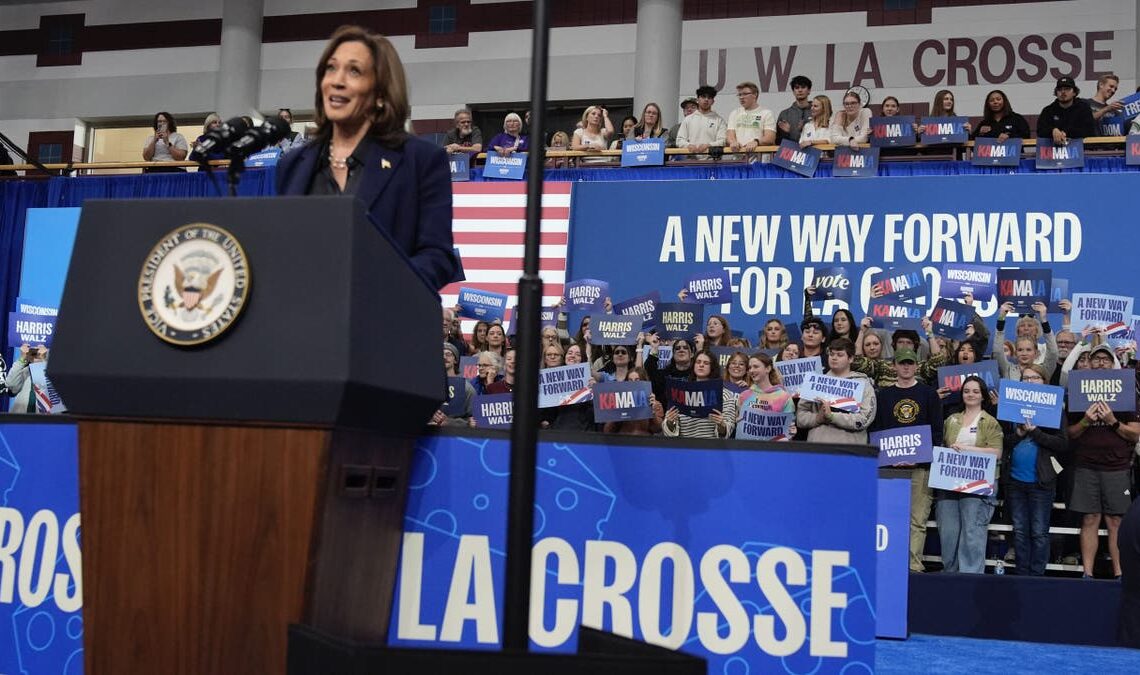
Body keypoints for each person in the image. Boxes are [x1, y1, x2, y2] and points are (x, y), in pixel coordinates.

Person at [276, 25, 458, 290]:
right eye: (331, 68)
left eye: (354, 71)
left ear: (381, 95)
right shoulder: (291, 165)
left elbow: (438, 258)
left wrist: (377, 286)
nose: (337, 80)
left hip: (383, 320)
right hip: (305, 322)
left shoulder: (421, 160)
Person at [1066, 344, 1140, 578]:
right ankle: (1087, 574)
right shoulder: (1079, 391)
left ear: (1113, 364)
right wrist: (1087, 420)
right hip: (1086, 465)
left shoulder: (1127, 391)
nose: (1100, 362)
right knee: (1089, 518)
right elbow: (1070, 433)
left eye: (1105, 359)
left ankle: (1120, 574)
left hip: (1117, 466)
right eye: (1095, 358)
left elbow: (1136, 434)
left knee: (1116, 520)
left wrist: (1112, 421)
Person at [871, 347, 945, 573]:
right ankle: (888, 562)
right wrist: (891, 458)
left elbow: (937, 433)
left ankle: (912, 565)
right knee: (888, 518)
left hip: (920, 467)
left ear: (916, 366)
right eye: (901, 363)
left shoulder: (928, 394)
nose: (905, 367)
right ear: (894, 366)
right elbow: (876, 430)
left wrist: (914, 458)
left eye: (910, 363)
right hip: (889, 468)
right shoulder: (883, 395)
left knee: (917, 520)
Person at [1001, 363, 1067, 576]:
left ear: (1044, 382)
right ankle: (1022, 574)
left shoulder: (1055, 409)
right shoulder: (1011, 409)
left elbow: (1062, 445)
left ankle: (1037, 576)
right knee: (1020, 531)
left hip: (1041, 481)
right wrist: (1019, 433)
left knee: (1039, 532)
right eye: (1026, 378)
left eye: (1034, 378)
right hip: (1015, 481)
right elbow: (1003, 442)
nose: (1029, 381)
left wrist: (1036, 432)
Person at [935, 375, 1002, 574]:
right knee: (948, 533)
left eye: (975, 391)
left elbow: (997, 453)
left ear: (983, 396)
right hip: (950, 482)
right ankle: (950, 574)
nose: (970, 394)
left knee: (972, 534)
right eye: (966, 391)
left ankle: (970, 578)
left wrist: (967, 449)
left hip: (979, 484)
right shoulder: (951, 419)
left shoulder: (990, 422)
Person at [796, 338, 876, 444]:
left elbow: (865, 419)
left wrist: (832, 417)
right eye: (832, 354)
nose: (834, 358)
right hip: (818, 448)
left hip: (851, 450)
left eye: (840, 355)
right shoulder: (815, 382)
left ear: (851, 358)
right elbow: (800, 417)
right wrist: (817, 418)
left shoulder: (863, 384)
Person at [662, 349, 737, 439]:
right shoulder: (681, 390)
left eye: (706, 363)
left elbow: (728, 429)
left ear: (712, 367)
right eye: (698, 362)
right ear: (693, 365)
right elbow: (668, 428)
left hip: (711, 448)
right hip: (684, 447)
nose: (701, 365)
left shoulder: (725, 394)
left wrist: (721, 425)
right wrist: (670, 422)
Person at [1037, 76, 1097, 143]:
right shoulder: (1048, 110)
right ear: (1056, 93)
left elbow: (1089, 131)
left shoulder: (1083, 108)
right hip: (1054, 150)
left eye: (1067, 89)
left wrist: (1065, 133)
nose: (1063, 92)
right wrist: (1052, 131)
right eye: (1060, 89)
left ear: (1074, 92)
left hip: (1080, 149)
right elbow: (1040, 131)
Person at [725, 81, 776, 154]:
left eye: (745, 94)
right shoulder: (734, 113)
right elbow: (730, 135)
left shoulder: (766, 113)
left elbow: (770, 138)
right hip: (738, 157)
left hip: (759, 158)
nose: (741, 97)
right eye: (739, 95)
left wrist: (756, 142)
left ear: (755, 95)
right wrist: (733, 142)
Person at [676, 85, 727, 158]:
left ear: (713, 101)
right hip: (691, 162)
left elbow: (723, 141)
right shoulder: (688, 119)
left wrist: (708, 145)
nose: (706, 100)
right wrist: (688, 145)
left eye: (709, 97)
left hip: (713, 162)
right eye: (703, 96)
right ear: (698, 99)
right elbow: (679, 140)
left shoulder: (719, 120)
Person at [5, 344, 48, 413]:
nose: (35, 357)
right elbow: (11, 385)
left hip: (44, 421)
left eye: (38, 353)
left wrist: (43, 361)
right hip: (20, 419)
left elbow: (50, 394)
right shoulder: (23, 371)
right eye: (33, 354)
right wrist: (22, 359)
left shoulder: (53, 374)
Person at [776, 75, 813, 143]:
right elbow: (778, 141)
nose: (800, 90)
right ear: (793, 91)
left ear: (809, 91)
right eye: (797, 88)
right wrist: (786, 133)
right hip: (792, 151)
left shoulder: (816, 111)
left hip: (814, 151)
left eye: (803, 87)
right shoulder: (785, 114)